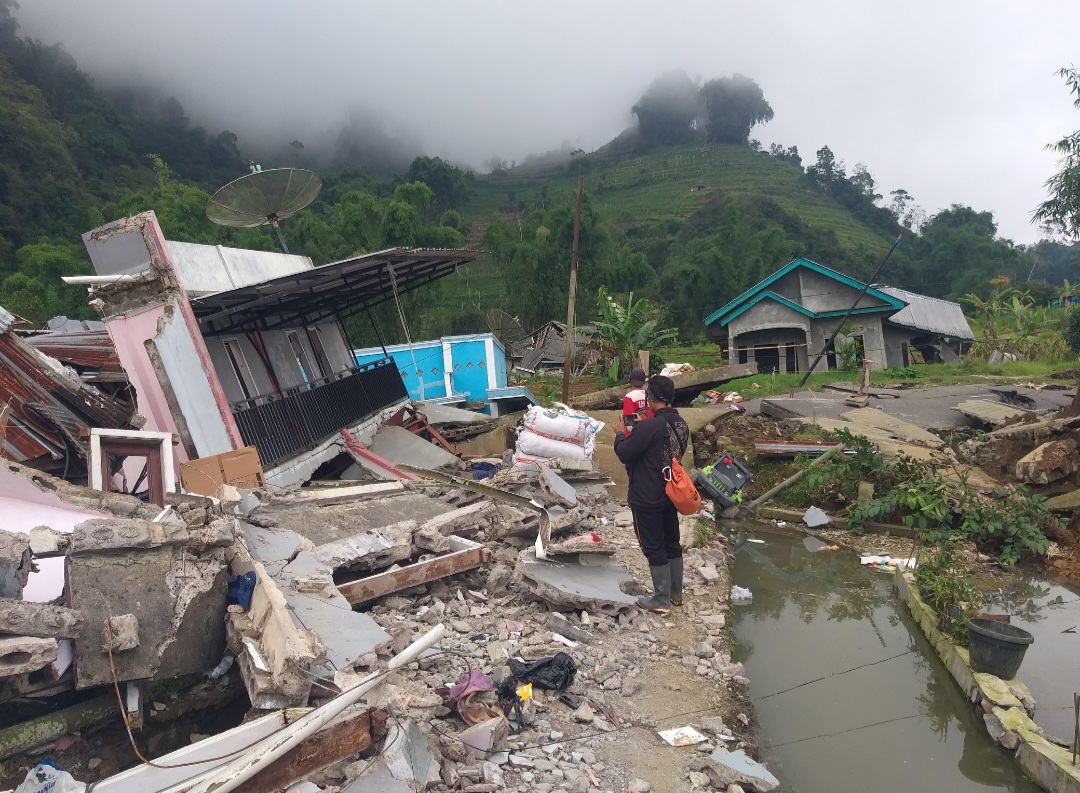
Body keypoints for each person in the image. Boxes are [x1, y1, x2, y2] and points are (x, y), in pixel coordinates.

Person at [613, 375, 690, 614]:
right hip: (671, 493)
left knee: (653, 545)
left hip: (647, 495)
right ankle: (676, 594)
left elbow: (625, 453)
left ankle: (660, 599)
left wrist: (619, 433)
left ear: (651, 398)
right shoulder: (681, 424)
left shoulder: (648, 426)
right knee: (671, 542)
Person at [621, 367, 652, 434]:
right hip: (649, 432)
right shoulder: (650, 395)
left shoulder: (629, 397)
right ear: (644, 381)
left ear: (630, 381)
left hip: (634, 437)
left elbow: (629, 426)